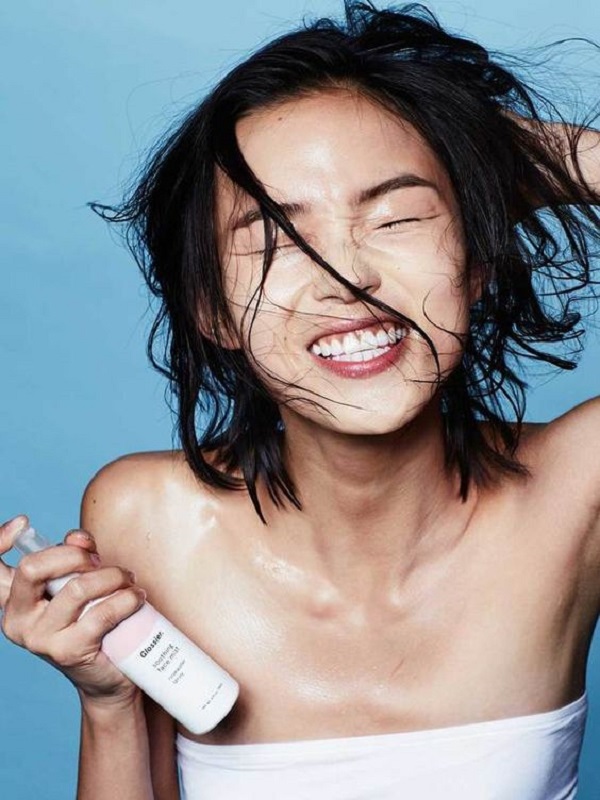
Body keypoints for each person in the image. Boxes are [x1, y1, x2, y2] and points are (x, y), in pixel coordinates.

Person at [1, 2, 600, 798]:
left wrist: (529, 154)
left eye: (396, 217)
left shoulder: (576, 489)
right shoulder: (152, 518)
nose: (346, 278)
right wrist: (109, 703)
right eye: (276, 240)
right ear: (211, 310)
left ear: (477, 264)